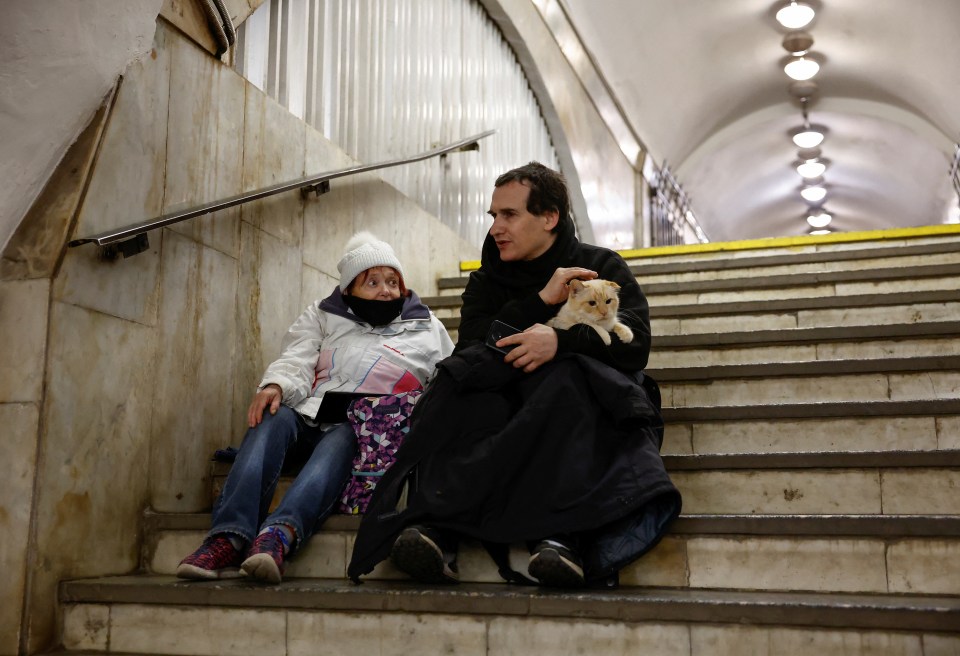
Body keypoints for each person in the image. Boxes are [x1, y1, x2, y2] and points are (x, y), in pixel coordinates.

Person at [347, 162, 682, 588]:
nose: (496, 228)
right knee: (455, 385)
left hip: (567, 405)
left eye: (510, 215)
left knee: (566, 382)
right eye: (493, 216)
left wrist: (562, 343)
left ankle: (561, 538)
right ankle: (435, 528)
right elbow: (472, 350)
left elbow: (636, 345)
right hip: (503, 400)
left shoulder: (598, 266)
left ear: (549, 218)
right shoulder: (486, 282)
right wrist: (541, 301)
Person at [177, 232, 454, 583]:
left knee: (343, 437)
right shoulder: (323, 316)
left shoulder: (428, 327)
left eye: (392, 281)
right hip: (311, 412)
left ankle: (278, 536)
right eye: (372, 282)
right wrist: (276, 384)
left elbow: (443, 382)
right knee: (271, 418)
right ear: (349, 290)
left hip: (363, 429)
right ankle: (227, 538)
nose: (386, 290)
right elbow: (297, 356)